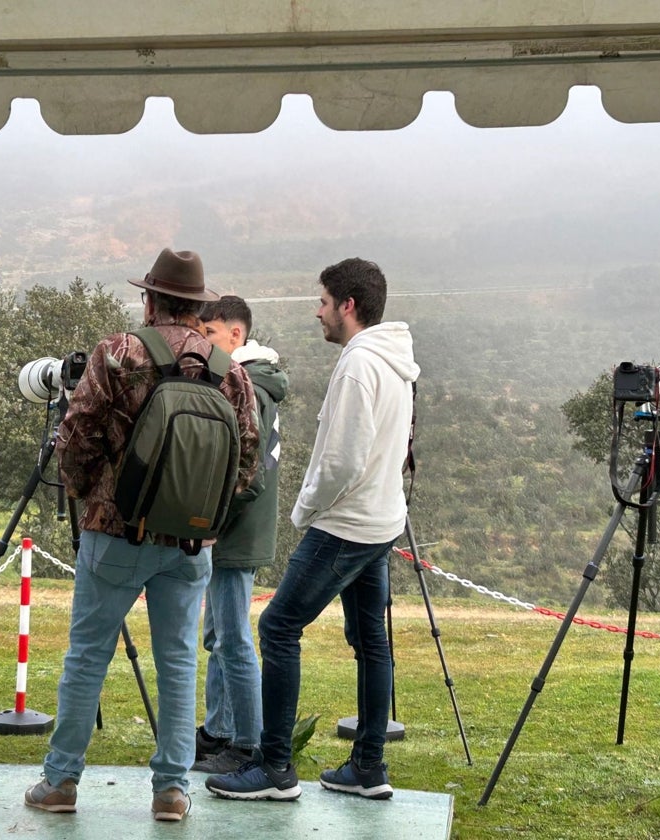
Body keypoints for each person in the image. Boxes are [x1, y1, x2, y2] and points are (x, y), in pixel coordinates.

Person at [23, 248, 259, 821]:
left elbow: (76, 435)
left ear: (150, 300)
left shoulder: (119, 353)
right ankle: (172, 791)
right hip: (190, 544)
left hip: (116, 533)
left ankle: (60, 782)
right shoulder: (230, 369)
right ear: (198, 305)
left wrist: (88, 496)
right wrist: (205, 515)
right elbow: (247, 458)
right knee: (178, 662)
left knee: (87, 657)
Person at [206, 257, 420, 802]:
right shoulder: (395, 362)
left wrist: (306, 507)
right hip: (381, 521)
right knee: (371, 642)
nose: (317, 312)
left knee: (278, 628)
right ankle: (368, 766)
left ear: (348, 305)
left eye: (323, 302)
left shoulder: (357, 366)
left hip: (345, 525)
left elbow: (343, 461)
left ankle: (275, 766)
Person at [192, 295, 289, 774]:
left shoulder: (251, 388)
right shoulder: (246, 381)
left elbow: (248, 476)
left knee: (233, 639)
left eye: (209, 334)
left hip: (232, 532)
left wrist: (209, 523)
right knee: (217, 635)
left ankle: (246, 743)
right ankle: (217, 731)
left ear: (236, 335)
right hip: (228, 530)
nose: (202, 343)